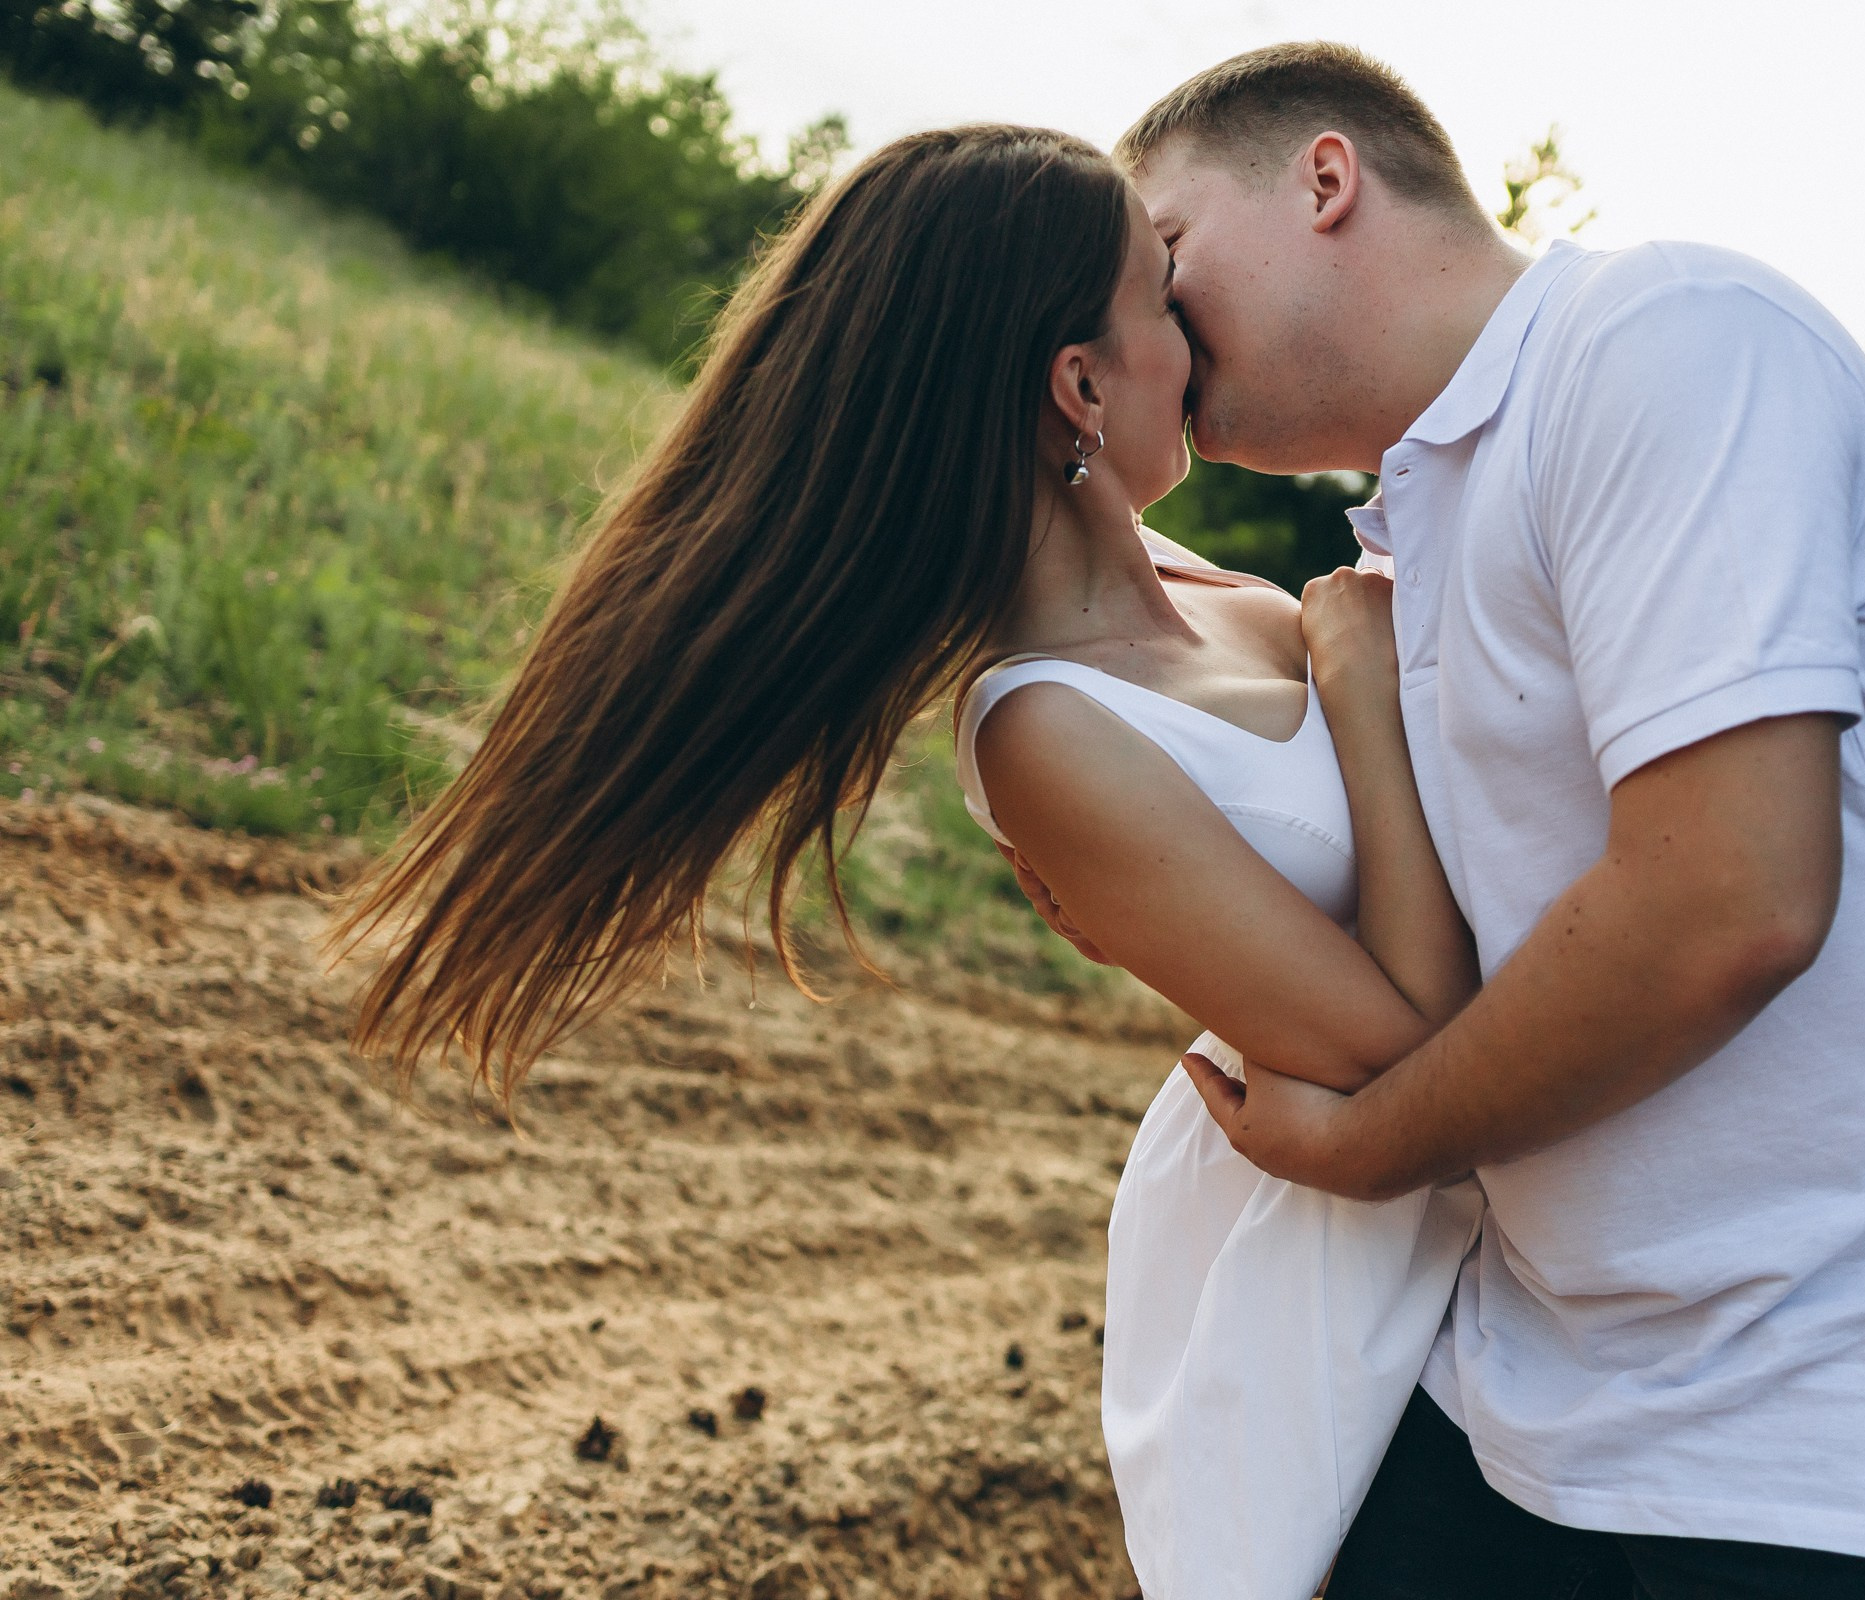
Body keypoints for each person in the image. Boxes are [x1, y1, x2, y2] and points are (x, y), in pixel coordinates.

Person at [1011, 41, 1865, 1599]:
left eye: (1171, 252)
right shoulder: (1417, 528)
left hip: (1847, 1435)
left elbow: (1726, 902)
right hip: (1535, 1385)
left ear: (1324, 180)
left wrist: (1361, 1146)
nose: (1155, 318)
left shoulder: (1665, 342)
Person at [326, 122, 1488, 1599]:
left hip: (1474, 1254)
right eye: (1163, 293)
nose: (1193, 327)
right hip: (1338, 1302)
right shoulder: (1044, 729)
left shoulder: (1214, 590)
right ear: (1078, 384)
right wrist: (1366, 703)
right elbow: (1415, 1052)